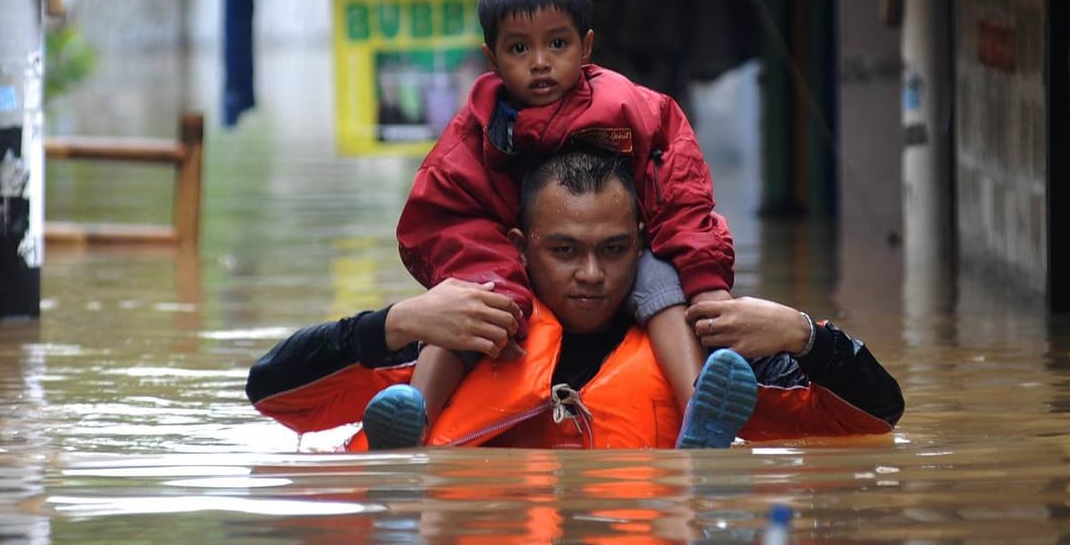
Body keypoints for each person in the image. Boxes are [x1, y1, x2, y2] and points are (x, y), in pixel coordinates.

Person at [248, 150, 903, 449]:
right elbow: (273, 392)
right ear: (520, 248)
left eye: (614, 250)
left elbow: (877, 417)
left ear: (643, 244)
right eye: (564, 251)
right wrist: (392, 322)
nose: (591, 273)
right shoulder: (456, 335)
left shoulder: (703, 365)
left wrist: (801, 334)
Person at [370, 0, 743, 450]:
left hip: (625, 253)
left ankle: (700, 409)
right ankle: (414, 413)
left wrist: (708, 284)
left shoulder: (631, 108)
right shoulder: (475, 136)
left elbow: (682, 191)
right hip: (514, 259)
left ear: (586, 47)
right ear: (493, 58)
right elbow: (440, 217)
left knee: (664, 282)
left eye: (557, 44)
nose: (540, 62)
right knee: (470, 303)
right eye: (519, 48)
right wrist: (486, 271)